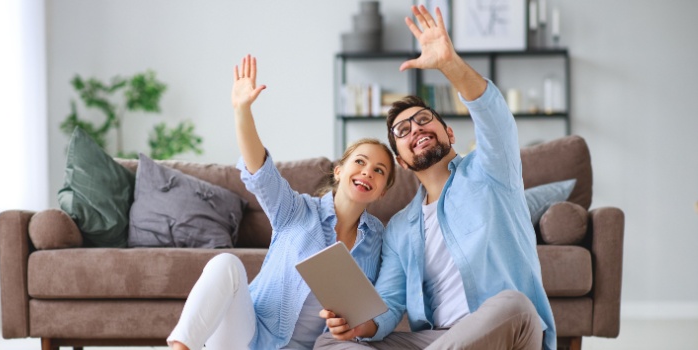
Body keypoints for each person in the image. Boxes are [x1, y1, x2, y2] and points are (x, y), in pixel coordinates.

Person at [316, 5, 556, 350]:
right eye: (403, 130)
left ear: (449, 133)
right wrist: (358, 326)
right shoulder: (401, 228)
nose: (415, 128)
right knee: (329, 343)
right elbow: (389, 304)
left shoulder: (491, 170)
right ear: (402, 161)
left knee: (515, 305)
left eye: (424, 119)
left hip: (503, 329)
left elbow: (495, 118)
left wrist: (449, 64)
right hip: (436, 340)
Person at [166, 54, 397, 350]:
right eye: (360, 162)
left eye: (379, 171)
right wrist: (242, 111)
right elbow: (260, 171)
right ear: (339, 171)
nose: (367, 172)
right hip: (247, 337)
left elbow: (384, 304)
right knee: (226, 264)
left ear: (382, 192)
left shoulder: (379, 240)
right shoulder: (296, 210)